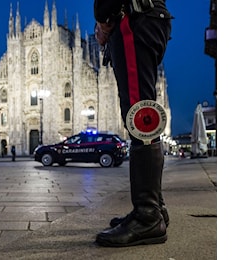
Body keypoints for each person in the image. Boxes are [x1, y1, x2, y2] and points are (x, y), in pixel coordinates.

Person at [93, 0, 172, 247]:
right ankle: (154, 209)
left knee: (141, 119)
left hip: (134, 18)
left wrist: (106, 19)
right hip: (141, 17)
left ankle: (147, 217)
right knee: (140, 118)